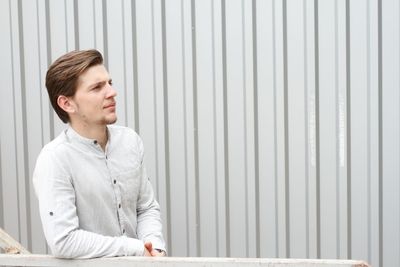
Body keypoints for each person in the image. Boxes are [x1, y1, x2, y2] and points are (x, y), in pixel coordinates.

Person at [33, 49, 166, 259]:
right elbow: (63, 240)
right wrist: (134, 248)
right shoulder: (55, 160)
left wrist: (154, 248)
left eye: (109, 83)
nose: (112, 92)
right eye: (97, 87)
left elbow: (146, 207)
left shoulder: (130, 142)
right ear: (67, 103)